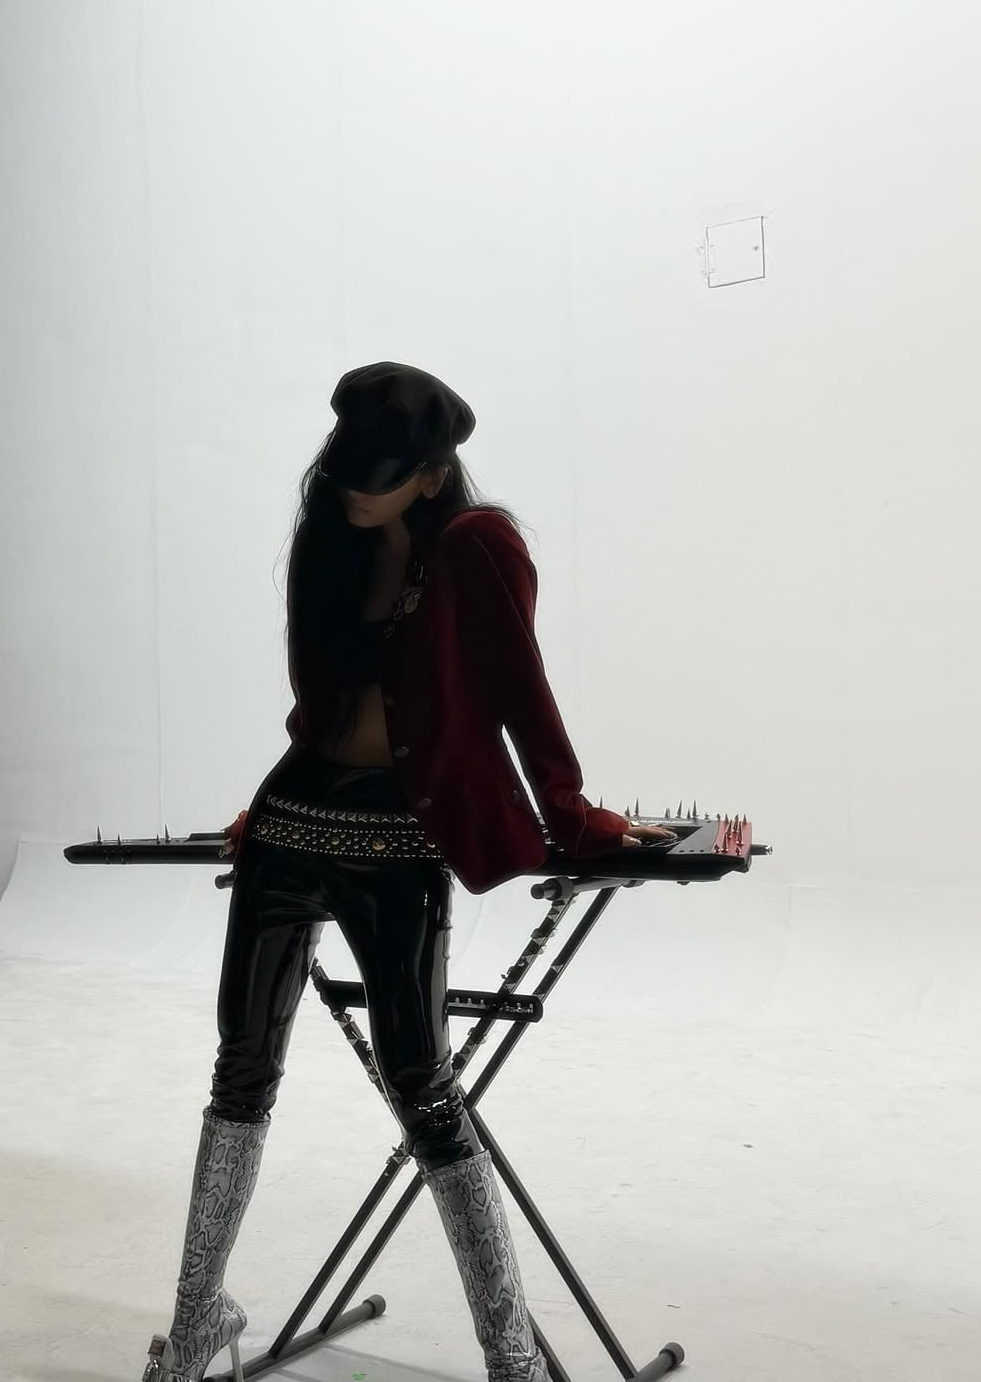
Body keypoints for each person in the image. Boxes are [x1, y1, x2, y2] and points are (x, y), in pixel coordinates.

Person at [142, 362, 673, 1382]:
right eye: (347, 470)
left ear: (430, 475)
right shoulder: (328, 541)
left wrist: (571, 814)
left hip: (400, 836)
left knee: (424, 1087)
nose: (353, 490)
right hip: (295, 821)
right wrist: (264, 806)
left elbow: (523, 693)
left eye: (378, 477)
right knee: (239, 1069)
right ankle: (196, 1318)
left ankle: (511, 1356)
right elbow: (319, 705)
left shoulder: (476, 546)